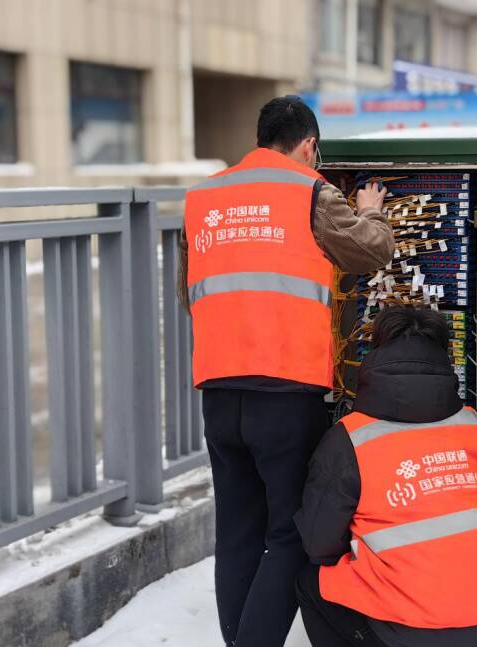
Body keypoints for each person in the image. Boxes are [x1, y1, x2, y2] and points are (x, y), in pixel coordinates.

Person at [178, 95, 394, 647]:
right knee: (292, 533)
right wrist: (368, 208)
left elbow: (190, 293)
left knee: (238, 531)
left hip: (220, 392)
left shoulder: (203, 197)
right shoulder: (310, 191)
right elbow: (373, 252)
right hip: (286, 389)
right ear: (309, 146)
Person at [294, 306, 477, 647]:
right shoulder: (472, 423)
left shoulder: (350, 436)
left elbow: (319, 543)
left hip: (415, 631)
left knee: (311, 582)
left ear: (375, 353)